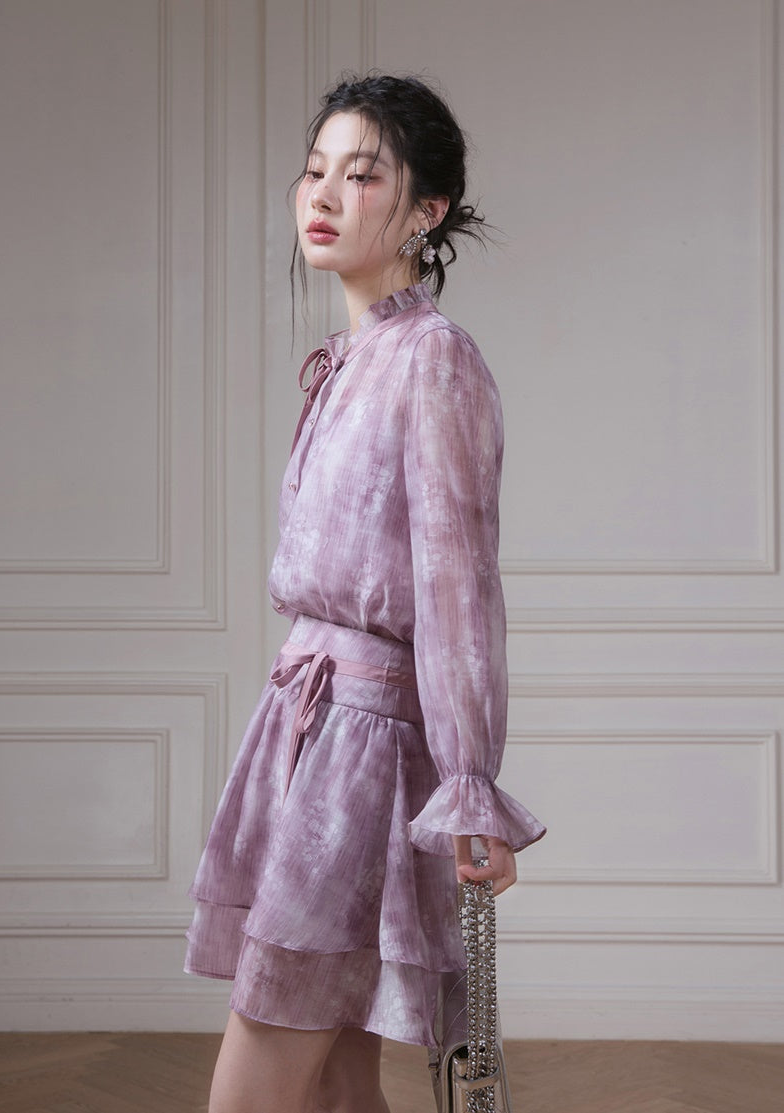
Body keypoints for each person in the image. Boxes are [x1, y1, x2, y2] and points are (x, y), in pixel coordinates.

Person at [185, 73, 546, 1113]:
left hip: (363, 747)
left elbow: (458, 588)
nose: (323, 193)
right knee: (335, 1085)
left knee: (261, 1081)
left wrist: (469, 782)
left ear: (426, 210)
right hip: (303, 728)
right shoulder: (353, 360)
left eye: (362, 174)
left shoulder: (434, 360)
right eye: (314, 170)